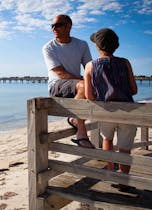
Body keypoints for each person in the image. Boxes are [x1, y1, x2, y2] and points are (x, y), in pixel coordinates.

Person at [84, 28, 138, 191]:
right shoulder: (125, 62)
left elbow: (89, 96)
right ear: (116, 46)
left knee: (107, 140)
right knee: (125, 147)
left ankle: (110, 172)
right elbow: (134, 89)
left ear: (97, 47)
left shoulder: (90, 66)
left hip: (106, 111)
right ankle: (123, 180)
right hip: (128, 112)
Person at [42, 14, 95, 148]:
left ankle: (105, 135)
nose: (54, 28)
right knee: (85, 86)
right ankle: (81, 133)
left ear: (68, 26)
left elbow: (89, 68)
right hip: (57, 85)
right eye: (52, 26)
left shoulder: (81, 45)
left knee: (92, 88)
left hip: (76, 86)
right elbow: (61, 73)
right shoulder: (48, 47)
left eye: (58, 25)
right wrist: (85, 82)